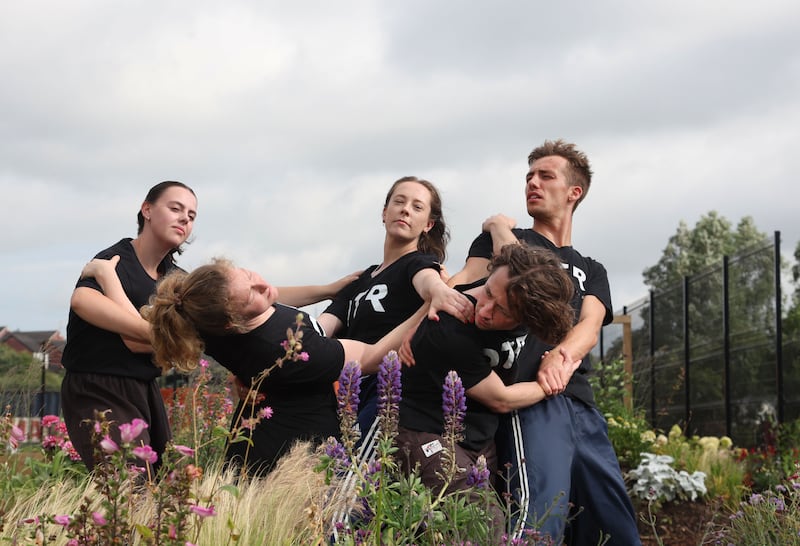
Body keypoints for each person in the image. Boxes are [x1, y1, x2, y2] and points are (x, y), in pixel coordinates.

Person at [448, 140, 641, 545]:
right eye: (528, 177)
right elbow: (501, 280)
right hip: (530, 400)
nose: (532, 183)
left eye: (545, 176)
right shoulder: (503, 241)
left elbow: (590, 324)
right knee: (538, 522)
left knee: (617, 526)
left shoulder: (592, 269)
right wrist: (499, 227)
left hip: (580, 402)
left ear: (575, 192)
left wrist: (563, 355)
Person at [135, 259, 429, 476]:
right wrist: (431, 303)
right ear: (231, 322)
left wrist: (329, 291)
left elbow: (274, 299)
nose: (262, 285)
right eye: (251, 294)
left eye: (248, 275)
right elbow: (373, 356)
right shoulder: (288, 349)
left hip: (251, 447)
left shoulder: (202, 316)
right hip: (292, 462)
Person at [396, 244, 575, 498]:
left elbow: (559, 329)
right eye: (488, 291)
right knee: (483, 528)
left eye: (502, 310)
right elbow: (501, 399)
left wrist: (556, 358)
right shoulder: (450, 326)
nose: (485, 310)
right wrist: (551, 384)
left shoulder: (522, 294)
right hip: (425, 433)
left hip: (478, 440)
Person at [316, 176, 472, 453]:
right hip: (348, 388)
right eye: (399, 202)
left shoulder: (420, 263)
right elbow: (319, 330)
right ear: (384, 212)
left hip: (390, 386)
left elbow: (428, 282)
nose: (405, 210)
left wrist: (439, 290)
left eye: (417, 207)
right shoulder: (360, 279)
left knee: (354, 475)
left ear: (428, 225)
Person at [60, 181, 198, 471]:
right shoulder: (115, 260)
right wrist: (164, 338)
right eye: (176, 208)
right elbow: (82, 301)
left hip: (143, 388)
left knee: (165, 487)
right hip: (96, 385)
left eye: (192, 215)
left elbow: (230, 298)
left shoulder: (177, 279)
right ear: (146, 210)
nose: (185, 218)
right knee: (128, 485)